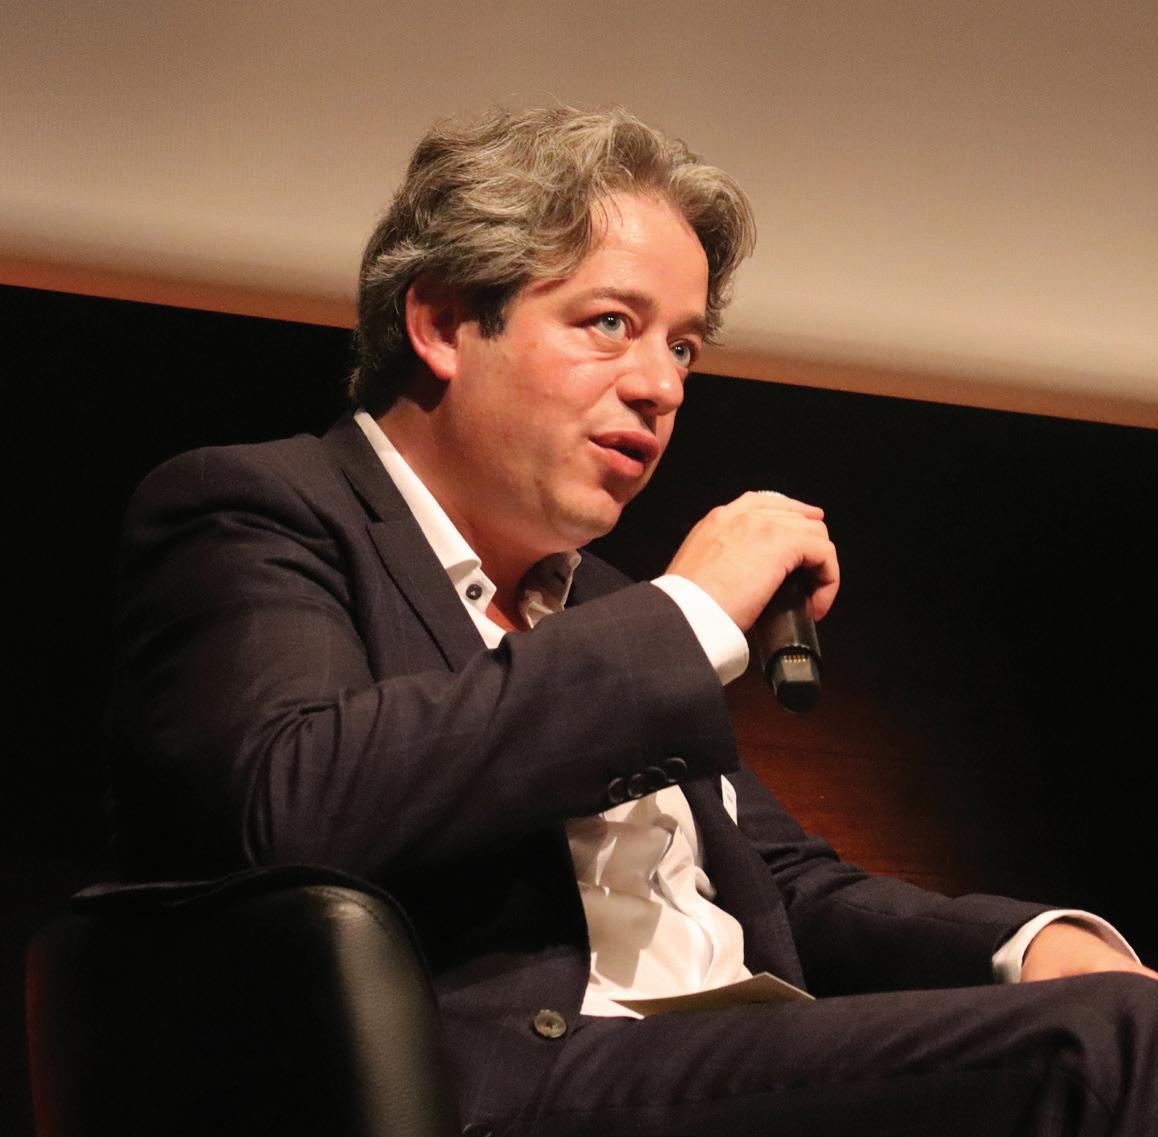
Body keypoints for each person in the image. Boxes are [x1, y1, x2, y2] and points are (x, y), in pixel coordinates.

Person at [108, 106, 1156, 1136]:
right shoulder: (258, 510)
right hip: (521, 1083)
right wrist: (688, 615)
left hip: (744, 1061)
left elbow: (782, 883)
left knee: (1120, 1013)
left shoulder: (604, 601)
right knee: (1111, 1045)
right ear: (442, 324)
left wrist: (1029, 944)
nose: (661, 386)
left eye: (684, 348)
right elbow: (290, 803)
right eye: (611, 323)